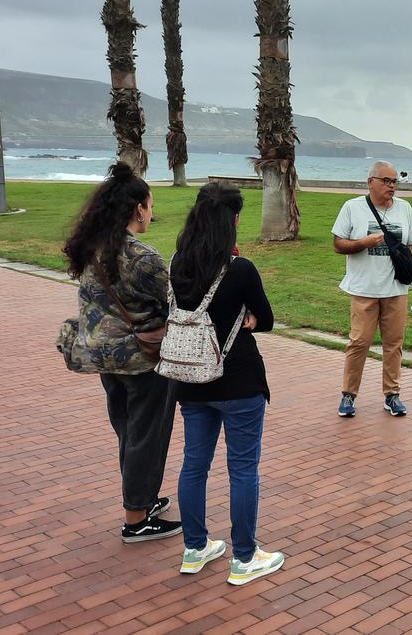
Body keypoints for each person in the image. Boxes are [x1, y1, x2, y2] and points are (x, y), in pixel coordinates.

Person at [169, 183, 284, 585]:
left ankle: (194, 548)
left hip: (191, 379)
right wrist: (249, 319)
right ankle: (244, 557)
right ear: (233, 220)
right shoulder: (241, 269)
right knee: (243, 469)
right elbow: (266, 318)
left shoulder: (178, 263)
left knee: (194, 465)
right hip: (238, 381)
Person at [62, 163, 181, 542]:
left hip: (102, 356)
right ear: (136, 209)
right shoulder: (142, 256)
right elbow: (172, 302)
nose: (151, 212)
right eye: (149, 205)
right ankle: (136, 519)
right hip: (143, 358)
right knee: (148, 434)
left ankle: (142, 499)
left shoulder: (91, 248)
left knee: (128, 430)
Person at [332, 161, 412, 418]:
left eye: (394, 181)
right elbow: (338, 244)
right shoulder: (352, 208)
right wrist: (364, 242)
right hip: (364, 289)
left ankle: (392, 394)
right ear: (371, 182)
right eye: (386, 181)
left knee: (394, 343)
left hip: (395, 289)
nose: (391, 186)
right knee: (359, 342)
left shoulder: (404, 209)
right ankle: (348, 395)